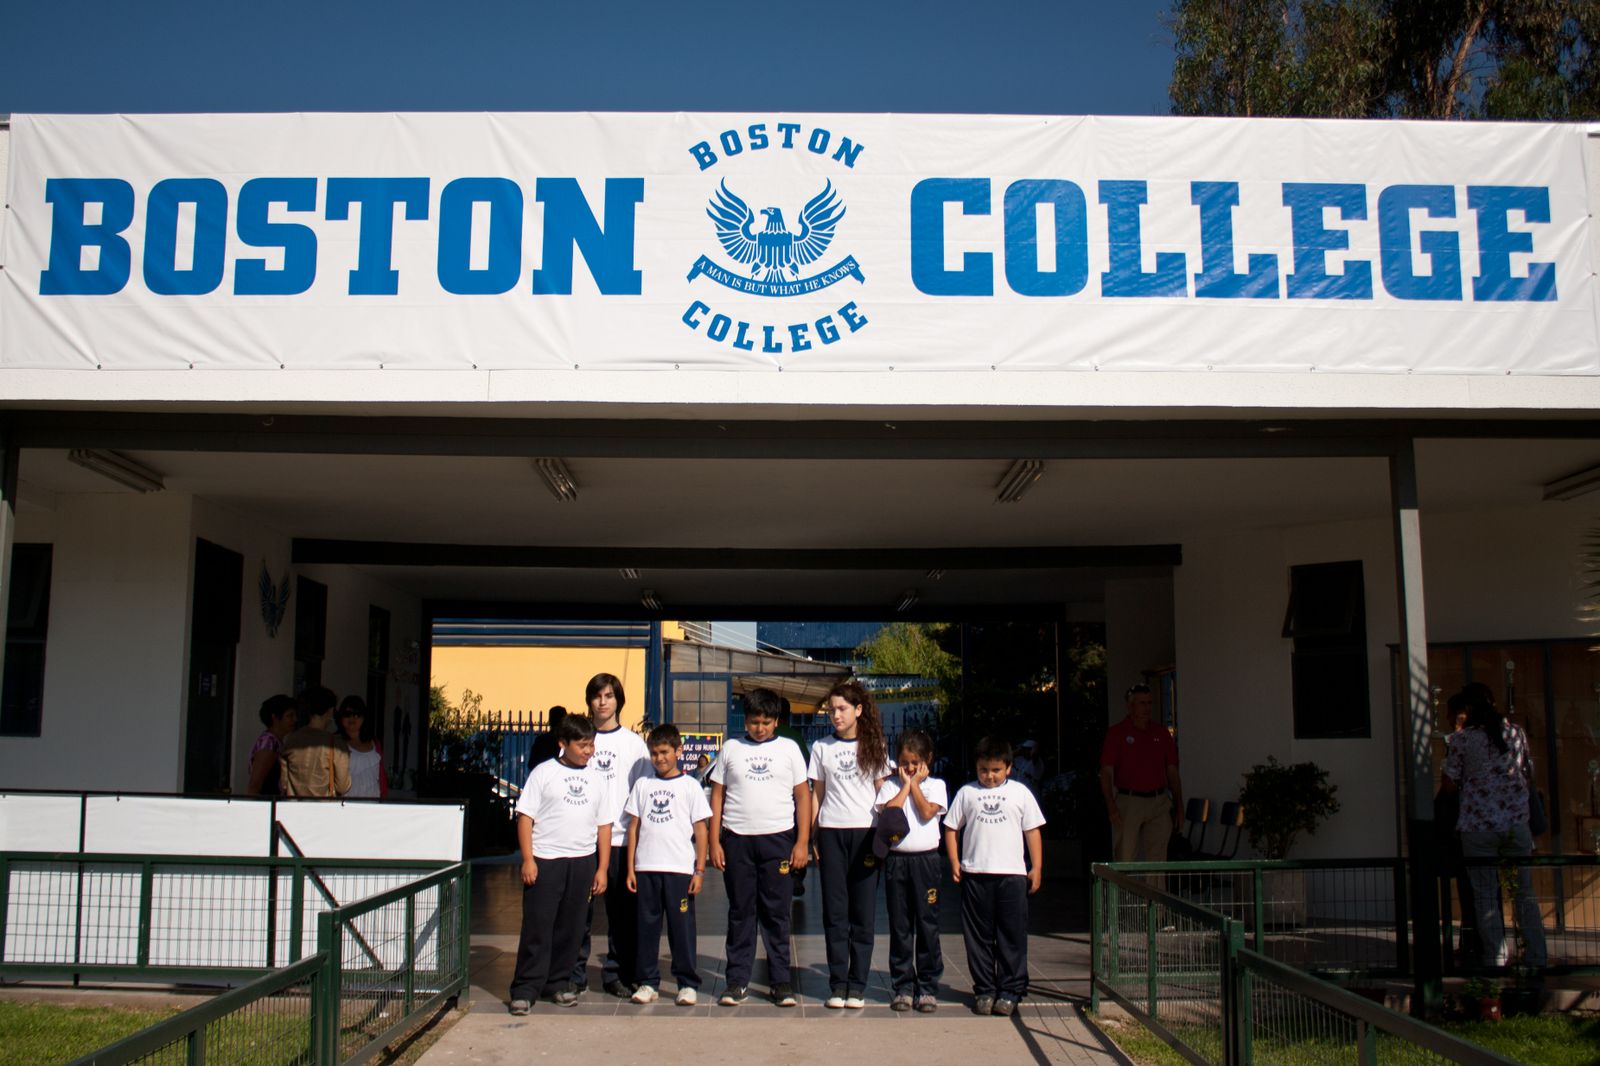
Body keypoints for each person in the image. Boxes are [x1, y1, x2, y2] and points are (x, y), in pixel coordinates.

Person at [708, 686, 811, 1007]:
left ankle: (780, 982)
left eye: (766, 722)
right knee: (741, 912)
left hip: (779, 840)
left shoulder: (790, 750)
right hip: (737, 840)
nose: (760, 728)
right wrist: (714, 842)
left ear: (776, 721)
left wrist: (802, 842)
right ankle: (736, 981)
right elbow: (717, 796)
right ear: (746, 719)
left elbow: (803, 796)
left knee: (777, 914)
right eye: (754, 722)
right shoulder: (731, 749)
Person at [507, 713, 615, 1015]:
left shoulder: (596, 778)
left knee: (572, 927)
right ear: (562, 743)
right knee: (538, 926)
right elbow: (525, 817)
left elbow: (604, 825)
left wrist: (602, 867)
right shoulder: (543, 773)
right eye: (582, 745)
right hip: (546, 860)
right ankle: (526, 987)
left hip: (582, 862)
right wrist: (528, 859)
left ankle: (558, 982)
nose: (588, 751)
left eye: (591, 745)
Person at [1441, 683, 1548, 970]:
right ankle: (1536, 956)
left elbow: (1449, 784)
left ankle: (1495, 958)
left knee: (1485, 895)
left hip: (1478, 826)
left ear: (1468, 709)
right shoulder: (1515, 733)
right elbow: (1528, 773)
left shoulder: (1462, 740)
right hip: (1515, 823)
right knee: (1524, 892)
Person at [944, 736, 1045, 1017]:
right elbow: (951, 828)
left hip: (1012, 876)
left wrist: (1036, 866)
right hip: (975, 875)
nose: (989, 776)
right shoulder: (966, 793)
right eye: (984, 770)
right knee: (978, 937)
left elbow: (1032, 830)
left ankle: (1010, 990)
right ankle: (985, 989)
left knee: (1012, 935)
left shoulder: (1021, 793)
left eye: (996, 770)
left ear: (1009, 768)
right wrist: (954, 861)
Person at [809, 677, 890, 1009]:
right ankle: (837, 984)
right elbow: (817, 794)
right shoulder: (820, 748)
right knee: (834, 913)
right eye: (831, 710)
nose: (835, 715)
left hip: (866, 835)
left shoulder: (875, 746)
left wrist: (886, 836)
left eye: (842, 709)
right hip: (831, 833)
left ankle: (857, 985)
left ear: (858, 709)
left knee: (863, 913)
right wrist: (812, 836)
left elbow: (884, 794)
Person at [571, 673, 652, 997]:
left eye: (609, 696)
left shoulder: (633, 745)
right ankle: (573, 975)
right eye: (596, 696)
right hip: (581, 841)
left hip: (621, 842)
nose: (602, 702)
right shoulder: (581, 740)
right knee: (578, 914)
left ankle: (619, 973)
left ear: (619, 701)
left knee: (623, 916)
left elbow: (644, 794)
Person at [624, 723, 712, 1006]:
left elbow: (701, 831)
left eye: (664, 752)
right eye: (654, 753)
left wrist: (699, 870)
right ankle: (647, 981)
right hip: (646, 868)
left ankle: (687, 982)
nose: (659, 758)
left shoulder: (690, 786)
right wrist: (630, 868)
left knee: (681, 928)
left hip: (679, 871)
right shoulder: (643, 785)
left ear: (678, 751)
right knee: (646, 927)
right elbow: (634, 827)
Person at [875, 728, 947, 1013]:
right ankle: (903, 985)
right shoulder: (891, 786)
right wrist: (905, 785)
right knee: (900, 925)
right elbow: (889, 812)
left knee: (927, 923)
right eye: (904, 763)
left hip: (926, 862)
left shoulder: (937, 785)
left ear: (927, 759)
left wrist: (916, 785)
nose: (909, 768)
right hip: (897, 862)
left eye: (915, 763)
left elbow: (928, 812)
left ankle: (927, 987)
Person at [1099, 683, 1183, 862]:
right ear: (1131, 706)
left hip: (1159, 799)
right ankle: (1124, 890)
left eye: (1150, 703)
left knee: (1158, 857)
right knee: (1126, 855)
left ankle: (1155, 890)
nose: (1147, 708)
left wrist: (1179, 805)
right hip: (1129, 800)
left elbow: (1172, 771)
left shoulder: (1161, 733)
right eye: (1142, 703)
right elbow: (1106, 772)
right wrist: (1111, 806)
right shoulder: (1117, 733)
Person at [280, 686, 351, 798]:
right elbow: (343, 786)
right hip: (323, 810)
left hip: (294, 810)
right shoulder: (335, 743)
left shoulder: (291, 739)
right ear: (330, 711)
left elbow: (283, 784)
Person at [335, 695, 388, 799]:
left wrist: (384, 797)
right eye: (347, 714)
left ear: (364, 717)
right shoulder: (336, 742)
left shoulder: (374, 742)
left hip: (373, 804)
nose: (352, 718)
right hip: (346, 805)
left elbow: (381, 775)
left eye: (356, 714)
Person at [246, 694, 297, 796]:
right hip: (267, 805)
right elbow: (255, 783)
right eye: (290, 716)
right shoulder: (269, 742)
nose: (294, 720)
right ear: (275, 718)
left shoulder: (276, 742)